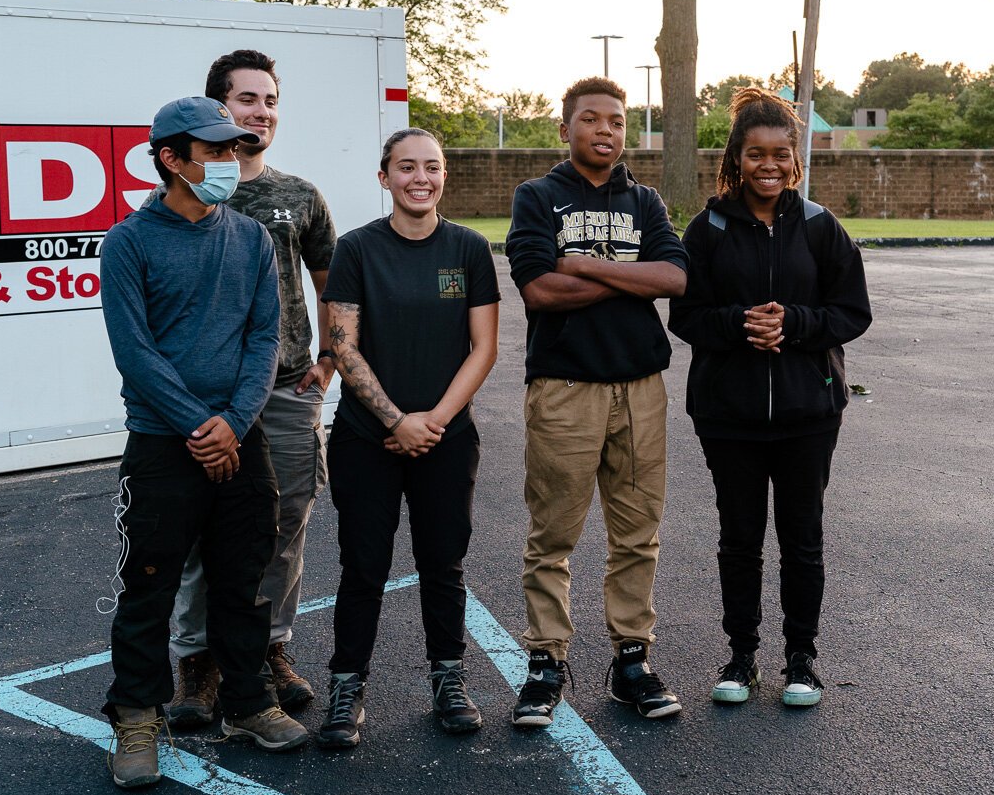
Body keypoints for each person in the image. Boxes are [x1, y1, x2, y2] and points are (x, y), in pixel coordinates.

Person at [98, 97, 308, 790]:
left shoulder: (249, 238)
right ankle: (136, 717)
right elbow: (136, 352)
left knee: (245, 579)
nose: (229, 161)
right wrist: (198, 425)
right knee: (148, 585)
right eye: (214, 151)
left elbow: (263, 337)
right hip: (164, 443)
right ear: (171, 158)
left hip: (240, 438)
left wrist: (235, 421)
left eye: (233, 149)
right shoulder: (129, 242)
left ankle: (247, 702)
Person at [668, 87, 871, 707]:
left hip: (810, 413)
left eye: (781, 154)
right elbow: (685, 316)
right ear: (737, 157)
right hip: (728, 415)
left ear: (794, 159)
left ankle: (801, 660)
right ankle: (741, 657)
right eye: (756, 154)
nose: (769, 165)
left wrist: (795, 325)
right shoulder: (708, 229)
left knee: (802, 539)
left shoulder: (819, 225)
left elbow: (853, 311)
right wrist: (740, 324)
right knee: (740, 539)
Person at [504, 76, 689, 727]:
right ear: (566, 129)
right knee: (553, 534)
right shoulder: (538, 196)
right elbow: (538, 289)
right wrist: (631, 279)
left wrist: (583, 264)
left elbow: (674, 276)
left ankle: (631, 662)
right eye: (591, 119)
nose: (605, 130)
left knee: (637, 533)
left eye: (616, 120)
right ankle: (545, 663)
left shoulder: (645, 199)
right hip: (564, 389)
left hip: (640, 390)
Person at [167, 49, 338, 728]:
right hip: (209, 398)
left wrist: (330, 361)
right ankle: (198, 662)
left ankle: (268, 649)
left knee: (283, 528)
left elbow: (331, 286)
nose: (261, 112)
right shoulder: (185, 193)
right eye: (246, 99)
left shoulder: (299, 197)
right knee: (201, 534)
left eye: (270, 101)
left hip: (287, 393)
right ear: (219, 109)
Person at [315, 128, 500, 745]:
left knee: (443, 565)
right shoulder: (357, 249)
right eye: (406, 167)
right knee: (362, 568)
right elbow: (343, 348)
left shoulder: (469, 248)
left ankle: (449, 680)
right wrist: (397, 421)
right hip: (366, 438)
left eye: (432, 167)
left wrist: (432, 422)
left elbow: (483, 349)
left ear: (444, 175)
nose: (420, 178)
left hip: (446, 436)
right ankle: (347, 688)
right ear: (384, 176)